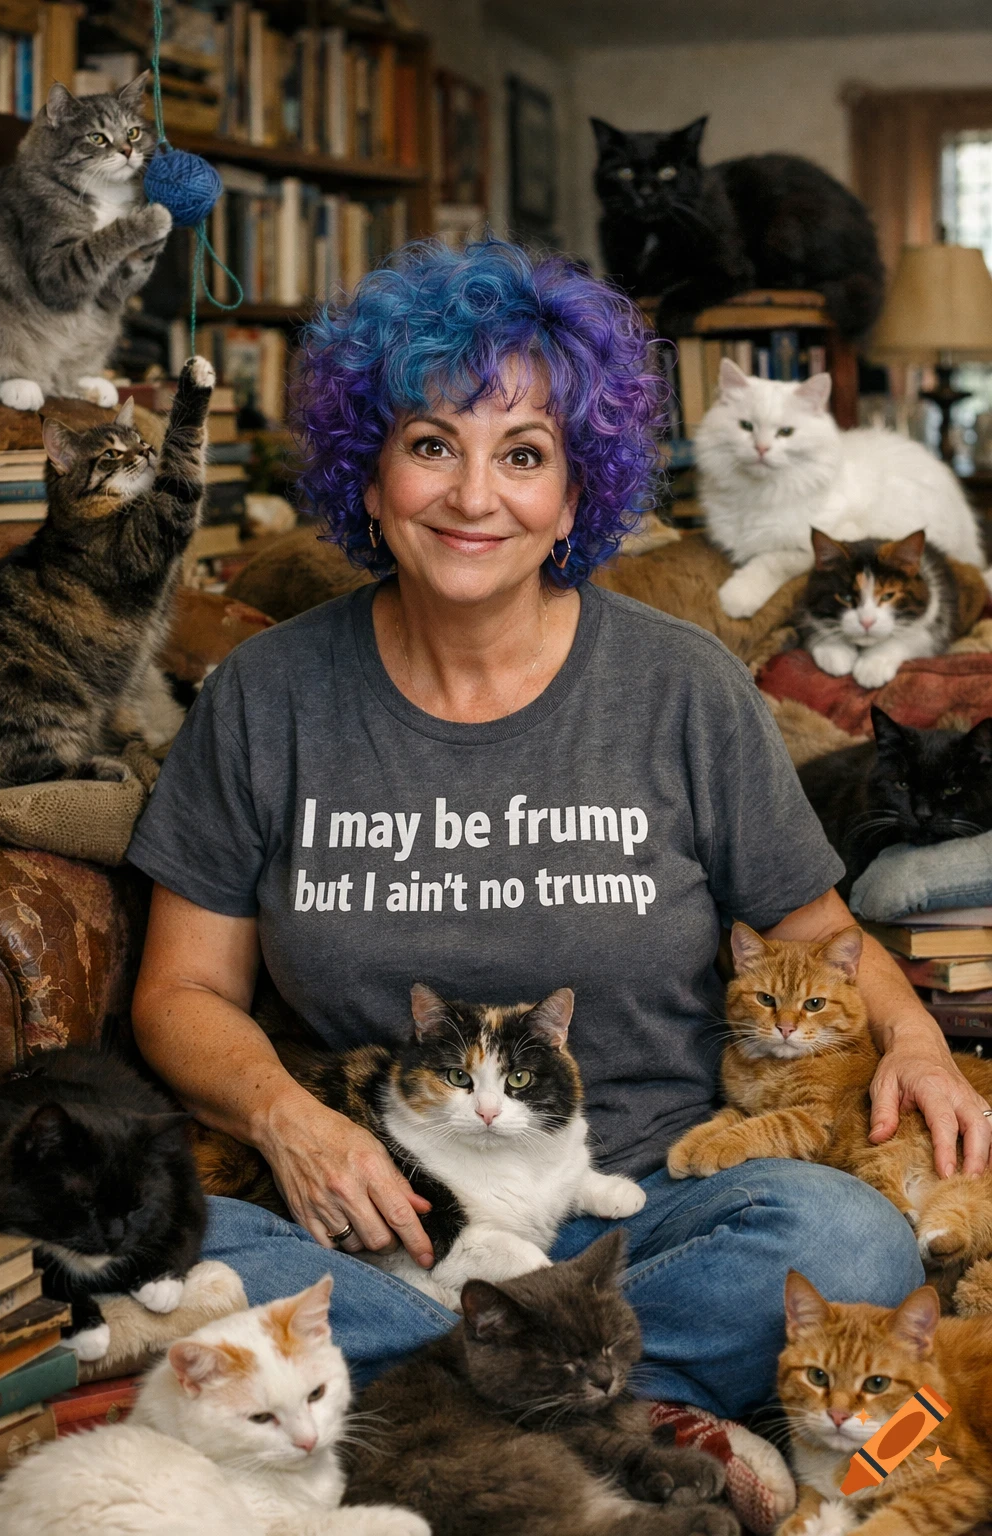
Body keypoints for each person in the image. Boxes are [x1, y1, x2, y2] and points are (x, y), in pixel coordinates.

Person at [128, 238, 988, 1421]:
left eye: (522, 455)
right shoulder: (264, 697)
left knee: (844, 1243)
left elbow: (815, 927)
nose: (474, 496)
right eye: (431, 445)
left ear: (577, 490)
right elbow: (179, 992)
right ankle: (608, 1418)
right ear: (367, 478)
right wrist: (294, 1126)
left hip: (643, 1203)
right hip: (392, 1209)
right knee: (164, 1247)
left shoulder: (682, 687)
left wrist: (921, 1048)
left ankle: (426, 1406)